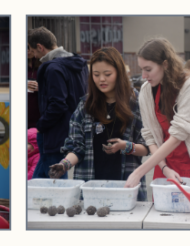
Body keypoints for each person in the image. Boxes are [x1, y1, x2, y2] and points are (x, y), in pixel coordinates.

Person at [48, 47, 149, 200]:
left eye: (107, 74)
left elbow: (147, 147)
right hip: (90, 190)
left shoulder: (136, 102)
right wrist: (64, 165)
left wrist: (126, 146)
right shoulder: (85, 105)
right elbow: (76, 147)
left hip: (127, 188)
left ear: (119, 73)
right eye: (96, 75)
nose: (101, 79)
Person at [124, 38, 190, 190]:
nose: (143, 76)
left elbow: (178, 135)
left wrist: (138, 172)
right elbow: (149, 135)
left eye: (148, 69)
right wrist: (164, 168)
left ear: (165, 65)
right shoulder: (146, 91)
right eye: (141, 70)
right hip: (163, 163)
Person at [28, 27, 88, 179]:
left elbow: (58, 103)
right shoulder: (78, 64)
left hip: (54, 132)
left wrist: (41, 125)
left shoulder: (52, 68)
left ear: (40, 47)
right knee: (44, 176)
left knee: (52, 178)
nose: (33, 55)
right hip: (73, 128)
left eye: (32, 50)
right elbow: (74, 94)